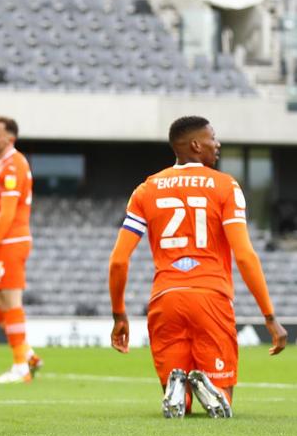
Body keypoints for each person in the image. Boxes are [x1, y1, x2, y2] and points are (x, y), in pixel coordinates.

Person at [108, 115, 288, 418]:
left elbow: (118, 260)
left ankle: (179, 386)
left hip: (164, 299)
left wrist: (119, 314)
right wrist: (269, 316)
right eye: (212, 138)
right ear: (195, 144)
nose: (216, 144)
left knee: (181, 404)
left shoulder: (146, 189)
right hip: (210, 297)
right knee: (223, 400)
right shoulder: (225, 186)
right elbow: (244, 255)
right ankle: (210, 387)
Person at [0, 117, 42, 384]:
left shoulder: (14, 164)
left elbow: (7, 213)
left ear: (9, 139)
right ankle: (26, 352)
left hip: (10, 241)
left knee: (11, 302)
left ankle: (20, 367)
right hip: (3, 240)